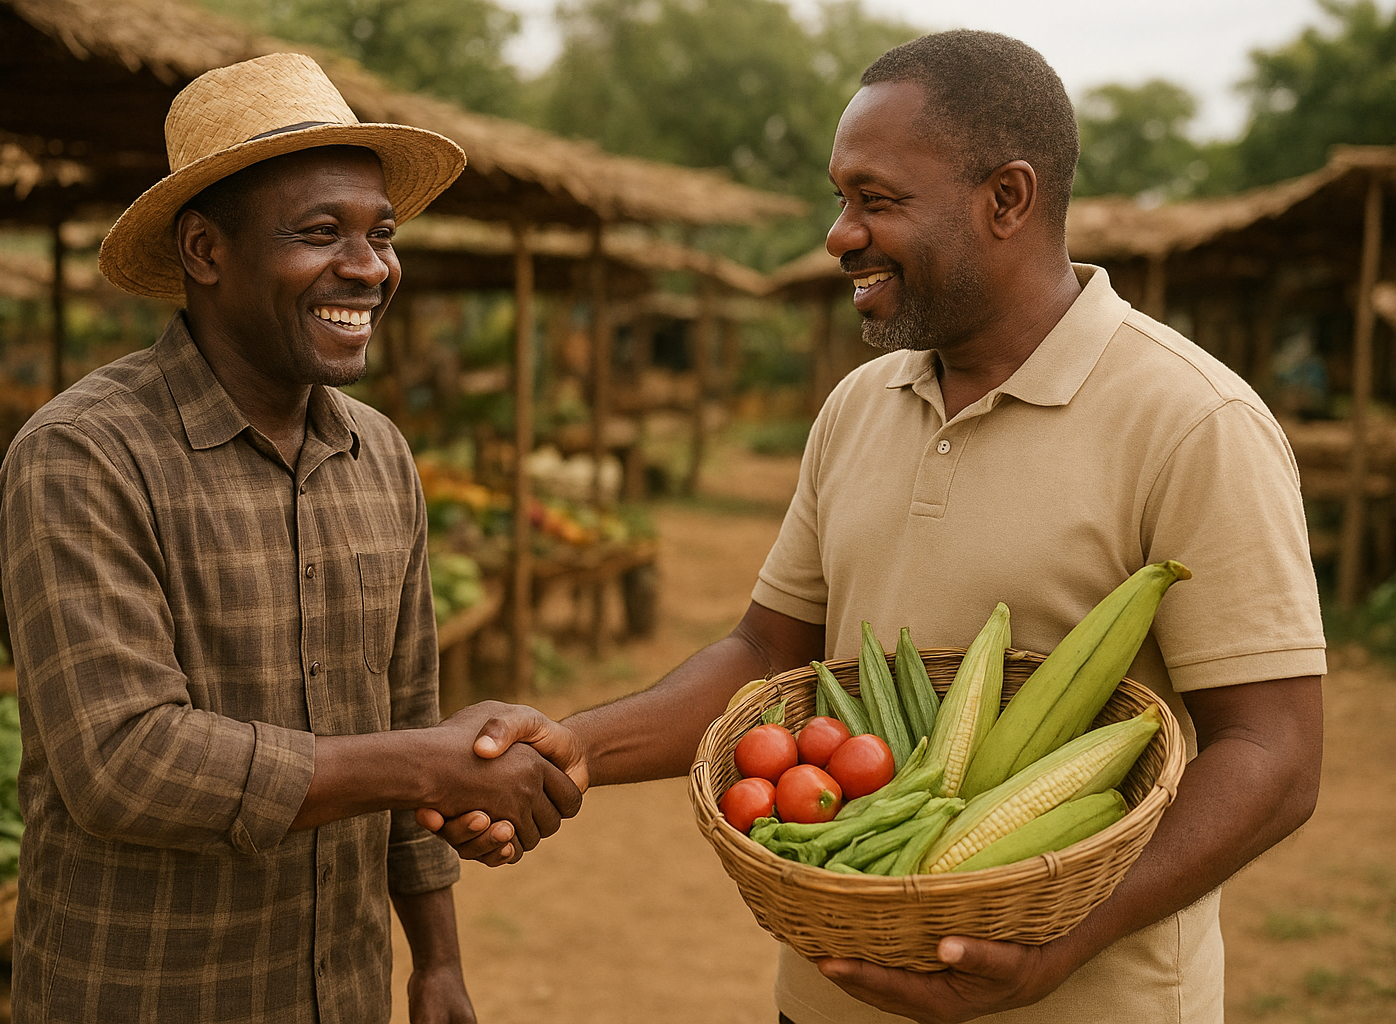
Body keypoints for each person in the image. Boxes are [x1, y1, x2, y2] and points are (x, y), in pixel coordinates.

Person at [424, 30, 1325, 1024]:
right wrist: (578, 744)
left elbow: (1273, 756)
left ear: (1007, 199)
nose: (840, 233)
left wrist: (1062, 944)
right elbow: (769, 649)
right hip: (827, 995)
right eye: (840, 197)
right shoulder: (859, 405)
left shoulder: (1194, 421)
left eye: (876, 199)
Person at [0, 52, 583, 1024]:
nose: (368, 267)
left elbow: (407, 709)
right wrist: (432, 762)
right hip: (146, 996)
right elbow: (122, 761)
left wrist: (437, 962)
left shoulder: (381, 457)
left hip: (339, 994)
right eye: (321, 234)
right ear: (205, 251)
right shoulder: (83, 455)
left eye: (381, 234)